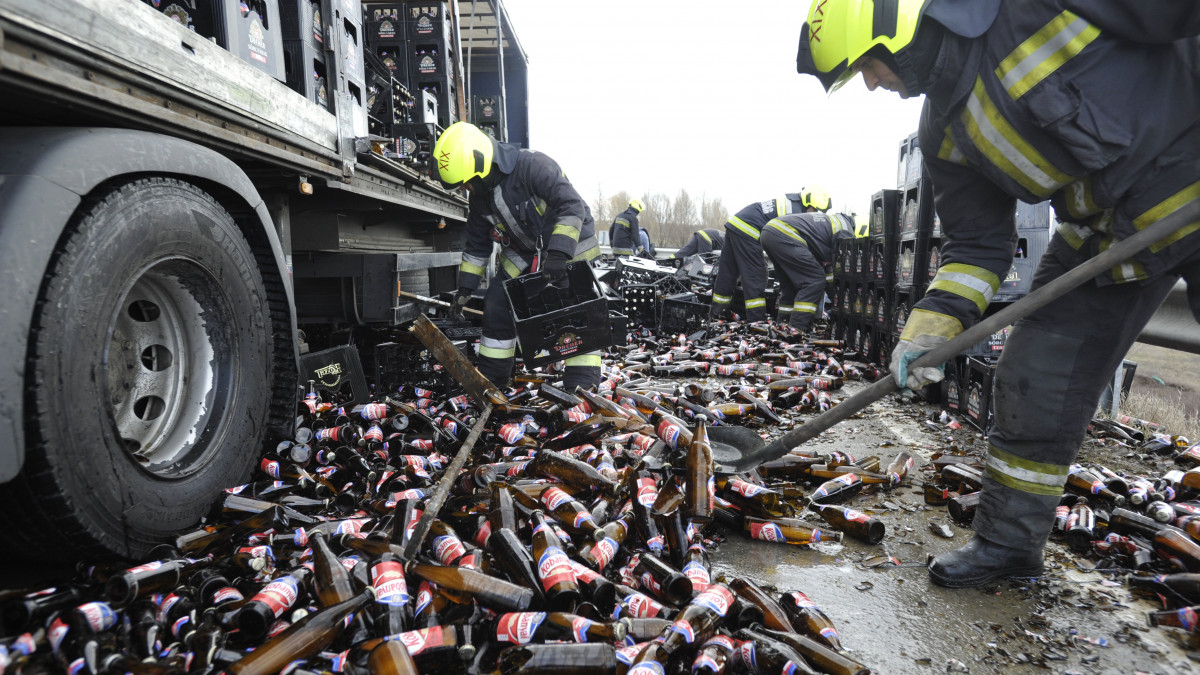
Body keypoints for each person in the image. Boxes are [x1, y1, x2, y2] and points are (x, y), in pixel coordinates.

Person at [796, 0, 1200, 587]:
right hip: (1108, 239)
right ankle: (1007, 549)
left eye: (867, 66)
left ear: (899, 29)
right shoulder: (943, 135)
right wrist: (928, 326)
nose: (872, 84)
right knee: (1034, 377)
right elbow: (977, 247)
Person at [435, 121, 603, 391]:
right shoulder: (480, 197)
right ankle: (493, 381)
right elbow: (477, 246)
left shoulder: (534, 166)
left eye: (467, 182)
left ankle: (582, 387)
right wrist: (464, 289)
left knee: (575, 307)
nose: (467, 188)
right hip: (525, 252)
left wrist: (559, 254)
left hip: (569, 245)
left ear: (483, 163)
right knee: (497, 303)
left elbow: (571, 206)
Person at [709, 187, 831, 322]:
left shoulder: (790, 204)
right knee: (756, 276)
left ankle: (716, 314)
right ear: (808, 203)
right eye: (815, 209)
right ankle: (756, 322)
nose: (815, 213)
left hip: (736, 224)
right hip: (749, 229)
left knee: (727, 273)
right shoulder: (796, 212)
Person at [761, 211, 856, 331]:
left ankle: (782, 327)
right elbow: (838, 270)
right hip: (784, 233)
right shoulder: (845, 232)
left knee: (790, 286)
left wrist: (835, 297)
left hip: (770, 232)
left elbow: (828, 273)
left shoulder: (826, 229)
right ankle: (797, 329)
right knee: (814, 281)